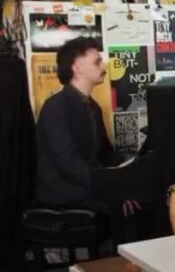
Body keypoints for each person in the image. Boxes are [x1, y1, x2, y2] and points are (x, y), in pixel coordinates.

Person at [35, 37, 141, 218]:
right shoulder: (55, 107)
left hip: (86, 184)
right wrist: (110, 187)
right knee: (123, 205)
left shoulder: (93, 107)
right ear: (77, 68)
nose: (104, 67)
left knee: (138, 195)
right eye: (97, 62)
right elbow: (68, 163)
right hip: (62, 190)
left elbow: (106, 154)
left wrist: (127, 176)